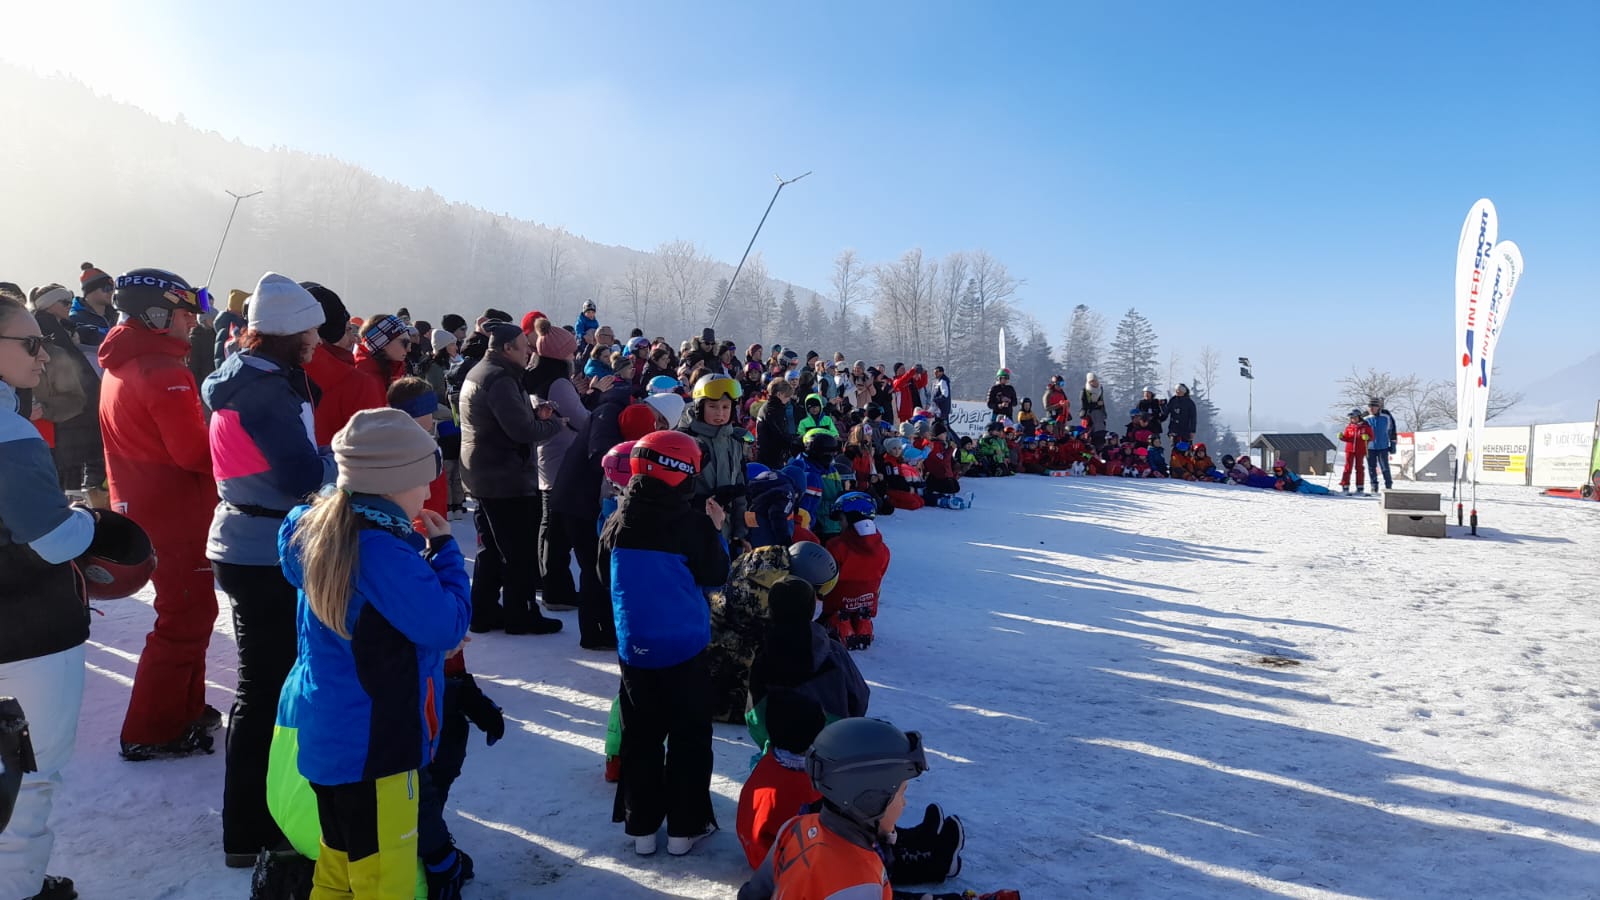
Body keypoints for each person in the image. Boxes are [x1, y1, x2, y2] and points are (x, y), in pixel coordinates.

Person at [279, 408, 472, 899]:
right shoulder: (381, 553)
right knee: (385, 884)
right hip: (378, 752)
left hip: (333, 743)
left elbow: (377, 626)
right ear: (392, 484)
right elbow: (447, 624)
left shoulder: (322, 531)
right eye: (422, 480)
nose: (427, 492)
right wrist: (446, 552)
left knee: (340, 872)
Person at [202, 272, 340, 867]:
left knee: (265, 686)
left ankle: (258, 822)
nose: (317, 340)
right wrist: (341, 459)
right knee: (265, 691)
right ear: (288, 331)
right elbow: (300, 476)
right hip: (262, 549)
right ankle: (252, 830)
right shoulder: (264, 390)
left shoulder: (246, 374)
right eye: (311, 331)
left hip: (246, 540)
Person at [97, 269, 222, 761]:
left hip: (145, 506)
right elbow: (193, 453)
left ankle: (183, 708)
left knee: (190, 610)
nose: (193, 322)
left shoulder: (124, 360)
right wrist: (236, 446)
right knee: (185, 616)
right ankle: (152, 729)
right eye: (186, 312)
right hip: (175, 511)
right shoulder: (163, 370)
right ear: (156, 315)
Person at [0, 292, 98, 900]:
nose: (44, 355)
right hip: (28, 630)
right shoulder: (9, 435)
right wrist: (87, 519)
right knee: (28, 771)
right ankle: (17, 886)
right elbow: (54, 540)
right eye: (31, 343)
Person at [599, 431, 731, 857]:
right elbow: (716, 575)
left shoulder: (617, 519)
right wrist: (716, 530)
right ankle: (685, 828)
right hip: (684, 648)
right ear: (680, 471)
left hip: (634, 646)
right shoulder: (691, 524)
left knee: (641, 736)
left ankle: (641, 827)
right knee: (690, 736)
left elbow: (603, 575)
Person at [737, 717, 928, 900]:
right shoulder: (859, 881)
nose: (904, 803)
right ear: (870, 799)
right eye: (901, 793)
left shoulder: (795, 827)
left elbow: (752, 895)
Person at [459, 322, 564, 634]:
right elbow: (520, 431)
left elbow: (502, 420)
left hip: (484, 473)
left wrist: (534, 415)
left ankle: (484, 611)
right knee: (518, 551)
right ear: (507, 348)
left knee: (492, 548)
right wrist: (554, 425)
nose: (529, 351)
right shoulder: (500, 378)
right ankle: (522, 614)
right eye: (524, 346)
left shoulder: (482, 371)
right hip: (504, 476)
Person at [706, 542, 840, 725]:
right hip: (726, 683)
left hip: (710, 650)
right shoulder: (773, 598)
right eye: (819, 590)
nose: (818, 598)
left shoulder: (760, 562)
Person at [525, 318, 588, 614]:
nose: (574, 356)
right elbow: (580, 419)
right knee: (558, 530)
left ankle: (546, 583)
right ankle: (558, 590)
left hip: (546, 458)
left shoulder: (534, 376)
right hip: (562, 460)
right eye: (571, 351)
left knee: (548, 524)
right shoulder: (559, 383)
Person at [27, 284, 106, 508]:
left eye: (70, 301)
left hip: (69, 417)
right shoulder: (47, 334)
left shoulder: (65, 329)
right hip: (63, 420)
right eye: (63, 302)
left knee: (72, 479)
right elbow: (66, 378)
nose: (69, 306)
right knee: (67, 480)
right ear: (47, 305)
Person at [300, 283, 387, 447]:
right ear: (329, 333)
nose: (354, 339)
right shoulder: (358, 385)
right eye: (347, 330)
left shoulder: (272, 377)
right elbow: (374, 451)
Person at [682, 373, 751, 550]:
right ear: (699, 407)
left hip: (726, 532)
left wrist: (740, 533)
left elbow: (740, 494)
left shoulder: (734, 443)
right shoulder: (687, 441)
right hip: (695, 531)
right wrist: (704, 503)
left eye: (726, 407)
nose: (720, 413)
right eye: (712, 406)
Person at [821, 491, 892, 650]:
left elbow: (827, 576)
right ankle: (862, 621)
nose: (840, 524)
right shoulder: (884, 550)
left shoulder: (836, 546)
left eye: (841, 519)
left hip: (837, 602)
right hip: (867, 600)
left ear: (852, 519)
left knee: (820, 625)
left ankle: (839, 622)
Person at [1339, 408, 1374, 494]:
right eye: (1351, 418)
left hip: (1360, 450)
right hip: (1349, 450)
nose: (1353, 419)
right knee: (1348, 467)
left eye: (1354, 417)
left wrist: (1367, 437)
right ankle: (1345, 485)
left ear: (1359, 417)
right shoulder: (1349, 427)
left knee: (1359, 468)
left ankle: (1360, 486)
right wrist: (1342, 437)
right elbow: (1347, 438)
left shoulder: (1366, 427)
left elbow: (1372, 437)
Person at [1365, 397, 1397, 492]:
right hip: (1369, 447)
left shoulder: (1386, 415)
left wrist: (1393, 443)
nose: (1371, 408)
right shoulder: (1365, 417)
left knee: (1385, 467)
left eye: (1373, 406)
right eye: (1369, 406)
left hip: (1383, 446)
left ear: (1378, 407)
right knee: (1371, 467)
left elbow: (1392, 429)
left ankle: (1388, 485)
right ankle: (1374, 486)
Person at [1165, 383, 1197, 447]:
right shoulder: (1173, 400)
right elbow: (1166, 413)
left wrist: (1192, 431)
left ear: (1184, 392)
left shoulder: (1189, 403)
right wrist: (1162, 406)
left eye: (1179, 390)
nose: (1177, 392)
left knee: (1185, 448)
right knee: (1175, 447)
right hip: (1173, 429)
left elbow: (1193, 418)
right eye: (1176, 390)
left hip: (1185, 430)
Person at [1081, 372, 1107, 441]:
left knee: (1100, 431)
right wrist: (1096, 404)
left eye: (1095, 380)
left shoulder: (1100, 389)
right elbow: (1084, 405)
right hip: (1090, 415)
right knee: (1090, 432)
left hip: (1099, 415)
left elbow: (1102, 401)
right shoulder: (1084, 391)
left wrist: (1104, 413)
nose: (1094, 382)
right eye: (1091, 381)